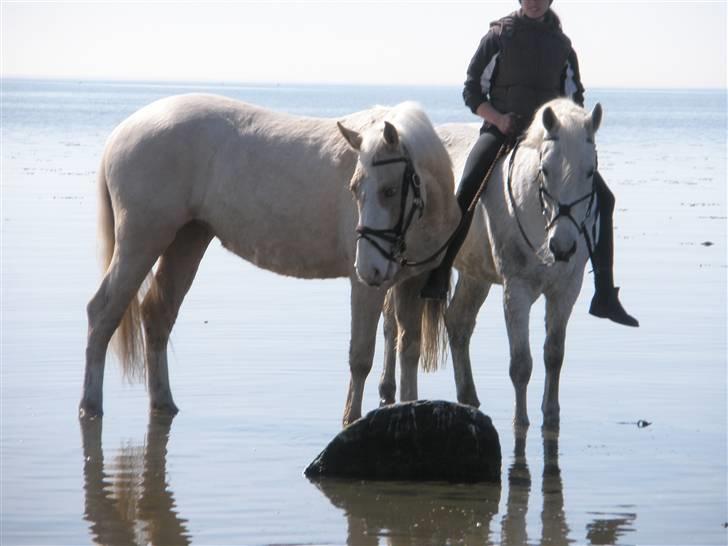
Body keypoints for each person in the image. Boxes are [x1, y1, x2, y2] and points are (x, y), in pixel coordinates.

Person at [420, 0, 639, 327]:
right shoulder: (498, 36)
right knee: (466, 188)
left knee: (604, 200)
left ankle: (605, 294)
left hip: (549, 140)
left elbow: (574, 99)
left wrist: (572, 134)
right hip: (503, 130)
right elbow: (472, 90)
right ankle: (439, 274)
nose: (534, 2)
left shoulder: (562, 46)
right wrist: (497, 118)